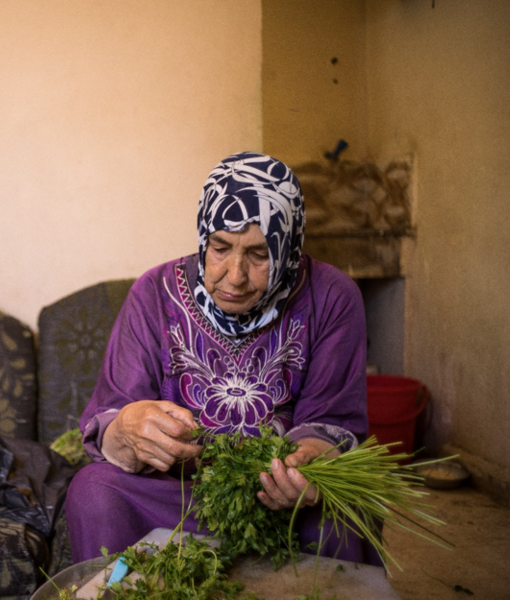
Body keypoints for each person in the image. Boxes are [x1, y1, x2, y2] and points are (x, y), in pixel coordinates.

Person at [65, 152, 380, 565]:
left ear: (288, 247)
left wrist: (308, 464)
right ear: (203, 237)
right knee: (94, 490)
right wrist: (126, 430)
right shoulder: (153, 293)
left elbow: (332, 422)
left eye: (259, 254)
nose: (234, 275)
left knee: (343, 511)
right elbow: (111, 414)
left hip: (281, 499)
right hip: (176, 497)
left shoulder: (332, 297)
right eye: (220, 247)